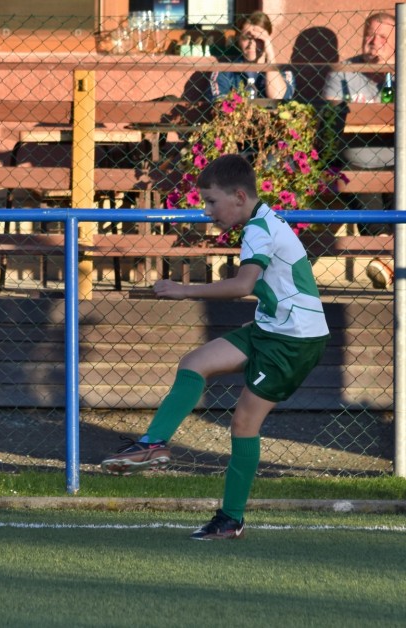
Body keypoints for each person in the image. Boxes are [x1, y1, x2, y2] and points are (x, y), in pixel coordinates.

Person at [100, 154, 329, 540]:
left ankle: (230, 519)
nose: (207, 211)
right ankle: (153, 444)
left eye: (211, 201)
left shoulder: (259, 229)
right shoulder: (262, 221)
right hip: (273, 328)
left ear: (239, 196)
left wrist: (183, 290)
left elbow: (242, 285)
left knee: (243, 424)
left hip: (293, 341)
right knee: (195, 362)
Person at [323, 11, 396, 288]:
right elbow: (330, 121)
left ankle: (384, 259)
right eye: (369, 35)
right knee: (360, 179)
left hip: (398, 161)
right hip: (355, 160)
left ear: (397, 43)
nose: (374, 42)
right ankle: (387, 255)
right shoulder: (343, 72)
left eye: (383, 37)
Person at [210, 11, 294, 101]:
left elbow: (277, 97)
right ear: (239, 39)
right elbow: (219, 104)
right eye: (246, 38)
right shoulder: (225, 72)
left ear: (268, 40)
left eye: (258, 39)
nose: (251, 44)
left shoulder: (283, 73)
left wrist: (270, 56)